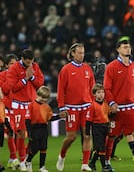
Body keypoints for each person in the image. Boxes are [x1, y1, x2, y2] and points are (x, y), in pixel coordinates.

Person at [103, 36, 134, 171]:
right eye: (124, 47)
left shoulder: (133, 66)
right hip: (117, 109)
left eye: (129, 47)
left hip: (130, 108)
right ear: (118, 50)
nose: (128, 49)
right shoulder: (111, 67)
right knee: (112, 136)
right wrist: (112, 102)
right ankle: (106, 162)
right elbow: (106, 88)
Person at [56, 43, 95, 171]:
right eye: (79, 53)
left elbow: (92, 88)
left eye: (83, 53)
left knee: (87, 135)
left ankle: (84, 164)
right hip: (71, 107)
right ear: (72, 53)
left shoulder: (88, 69)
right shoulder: (66, 69)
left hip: (86, 107)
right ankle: (62, 155)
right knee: (72, 136)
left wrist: (94, 104)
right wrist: (61, 107)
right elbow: (60, 89)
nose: (81, 55)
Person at [7, 49, 44, 171]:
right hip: (18, 105)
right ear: (22, 59)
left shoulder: (35, 66)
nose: (30, 64)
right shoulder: (14, 69)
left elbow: (40, 84)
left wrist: (32, 77)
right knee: (21, 133)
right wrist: (25, 79)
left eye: (31, 61)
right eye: (27, 61)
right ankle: (22, 160)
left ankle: (28, 158)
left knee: (34, 134)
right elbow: (13, 88)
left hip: (32, 104)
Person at [25, 86, 62, 172]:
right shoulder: (31, 105)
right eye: (42, 97)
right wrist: (29, 132)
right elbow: (27, 120)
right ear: (38, 95)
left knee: (43, 147)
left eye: (46, 98)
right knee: (35, 148)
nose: (44, 100)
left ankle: (42, 167)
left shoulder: (47, 107)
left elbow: (50, 118)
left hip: (43, 128)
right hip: (34, 129)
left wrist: (59, 116)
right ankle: (28, 160)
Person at [0, 54, 20, 169]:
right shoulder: (1, 75)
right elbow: (4, 90)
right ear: (6, 65)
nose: (14, 65)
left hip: (17, 107)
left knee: (18, 134)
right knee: (11, 132)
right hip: (6, 108)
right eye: (11, 63)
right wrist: (11, 79)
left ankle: (12, 159)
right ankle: (14, 157)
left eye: (15, 63)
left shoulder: (19, 75)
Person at [86, 84, 111, 171]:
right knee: (101, 147)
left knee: (99, 148)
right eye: (99, 92)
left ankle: (92, 163)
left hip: (105, 127)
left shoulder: (105, 104)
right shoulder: (92, 105)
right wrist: (87, 131)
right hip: (97, 127)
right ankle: (104, 166)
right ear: (94, 94)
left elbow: (108, 114)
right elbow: (88, 120)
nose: (101, 94)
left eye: (102, 92)